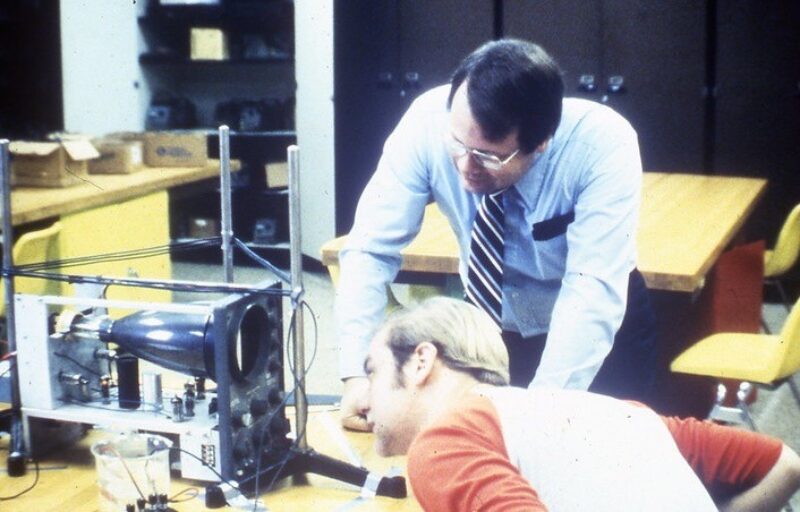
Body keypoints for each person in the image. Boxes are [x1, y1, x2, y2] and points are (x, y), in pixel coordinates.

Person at [337, 38, 657, 430]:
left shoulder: (601, 144)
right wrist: (357, 373)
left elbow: (591, 290)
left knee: (592, 458)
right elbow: (370, 250)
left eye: (490, 156)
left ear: (541, 142)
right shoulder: (428, 123)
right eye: (458, 144)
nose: (465, 165)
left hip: (592, 335)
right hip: (492, 329)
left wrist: (540, 415)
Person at [361, 297, 800, 511]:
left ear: (421, 361)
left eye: (372, 372)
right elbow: (784, 463)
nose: (362, 400)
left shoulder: (445, 440)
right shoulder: (612, 412)